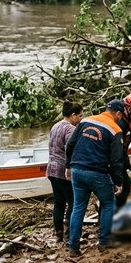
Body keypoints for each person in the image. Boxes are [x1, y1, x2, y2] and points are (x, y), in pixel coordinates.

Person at [65, 99, 125, 255]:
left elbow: (70, 145)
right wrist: (118, 182)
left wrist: (68, 166)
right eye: (121, 116)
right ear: (118, 113)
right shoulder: (115, 129)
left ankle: (73, 247)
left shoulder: (86, 120)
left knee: (78, 207)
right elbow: (116, 159)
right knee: (108, 203)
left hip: (77, 170)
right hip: (97, 172)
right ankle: (104, 241)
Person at [47, 101, 83, 243]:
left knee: (59, 202)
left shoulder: (55, 126)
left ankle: (58, 234)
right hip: (63, 170)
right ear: (73, 115)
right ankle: (69, 235)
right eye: (80, 116)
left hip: (51, 168)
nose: (80, 119)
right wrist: (70, 168)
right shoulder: (70, 129)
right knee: (73, 202)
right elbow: (70, 149)